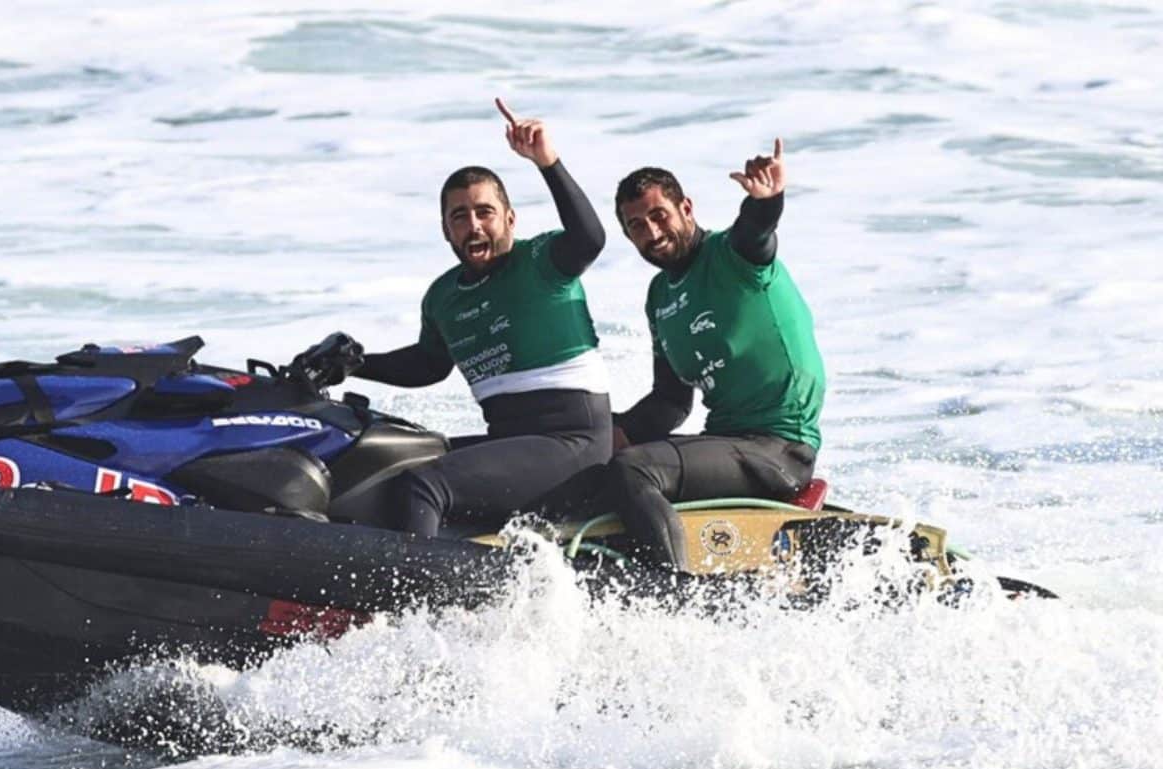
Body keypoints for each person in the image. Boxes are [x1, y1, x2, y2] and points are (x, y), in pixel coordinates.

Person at [336, 99, 610, 537]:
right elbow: (428, 364)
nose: (474, 225)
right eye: (459, 216)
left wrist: (547, 162)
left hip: (572, 442)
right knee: (385, 468)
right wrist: (355, 364)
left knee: (423, 486)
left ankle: (418, 603)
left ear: (510, 219)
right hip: (510, 439)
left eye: (485, 212)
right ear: (446, 229)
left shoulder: (541, 262)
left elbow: (590, 237)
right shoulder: (444, 296)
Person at [607, 138, 826, 564]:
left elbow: (756, 232)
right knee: (602, 465)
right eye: (636, 225)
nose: (651, 232)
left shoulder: (732, 256)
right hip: (727, 443)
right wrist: (604, 430)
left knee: (634, 469)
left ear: (686, 208)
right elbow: (670, 403)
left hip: (780, 447)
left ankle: (672, 587)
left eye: (659, 215)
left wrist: (766, 200)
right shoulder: (659, 296)